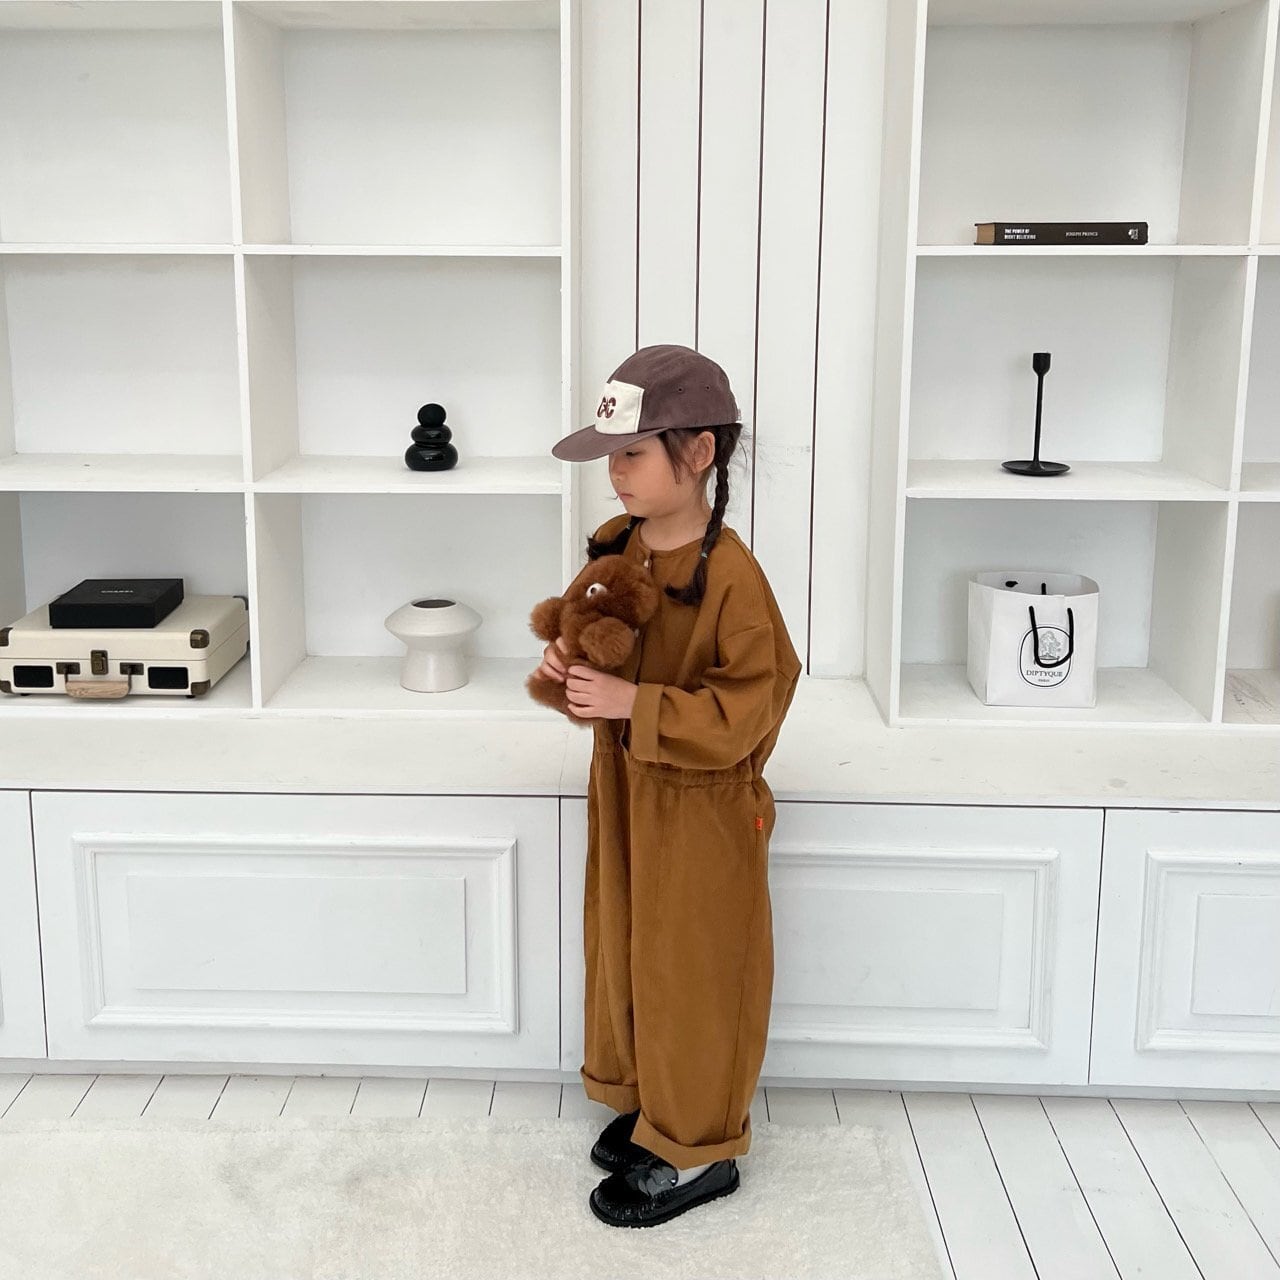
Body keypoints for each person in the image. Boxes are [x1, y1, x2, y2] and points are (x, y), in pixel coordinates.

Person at [537, 343, 802, 1228]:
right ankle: (651, 1101)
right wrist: (567, 666)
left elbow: (750, 710)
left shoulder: (732, 578)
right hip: (624, 789)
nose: (615, 472)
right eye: (610, 455)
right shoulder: (617, 548)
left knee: (693, 966)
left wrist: (634, 703)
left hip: (703, 809)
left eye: (633, 453)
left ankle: (699, 1147)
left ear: (700, 454)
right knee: (626, 943)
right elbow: (588, 639)